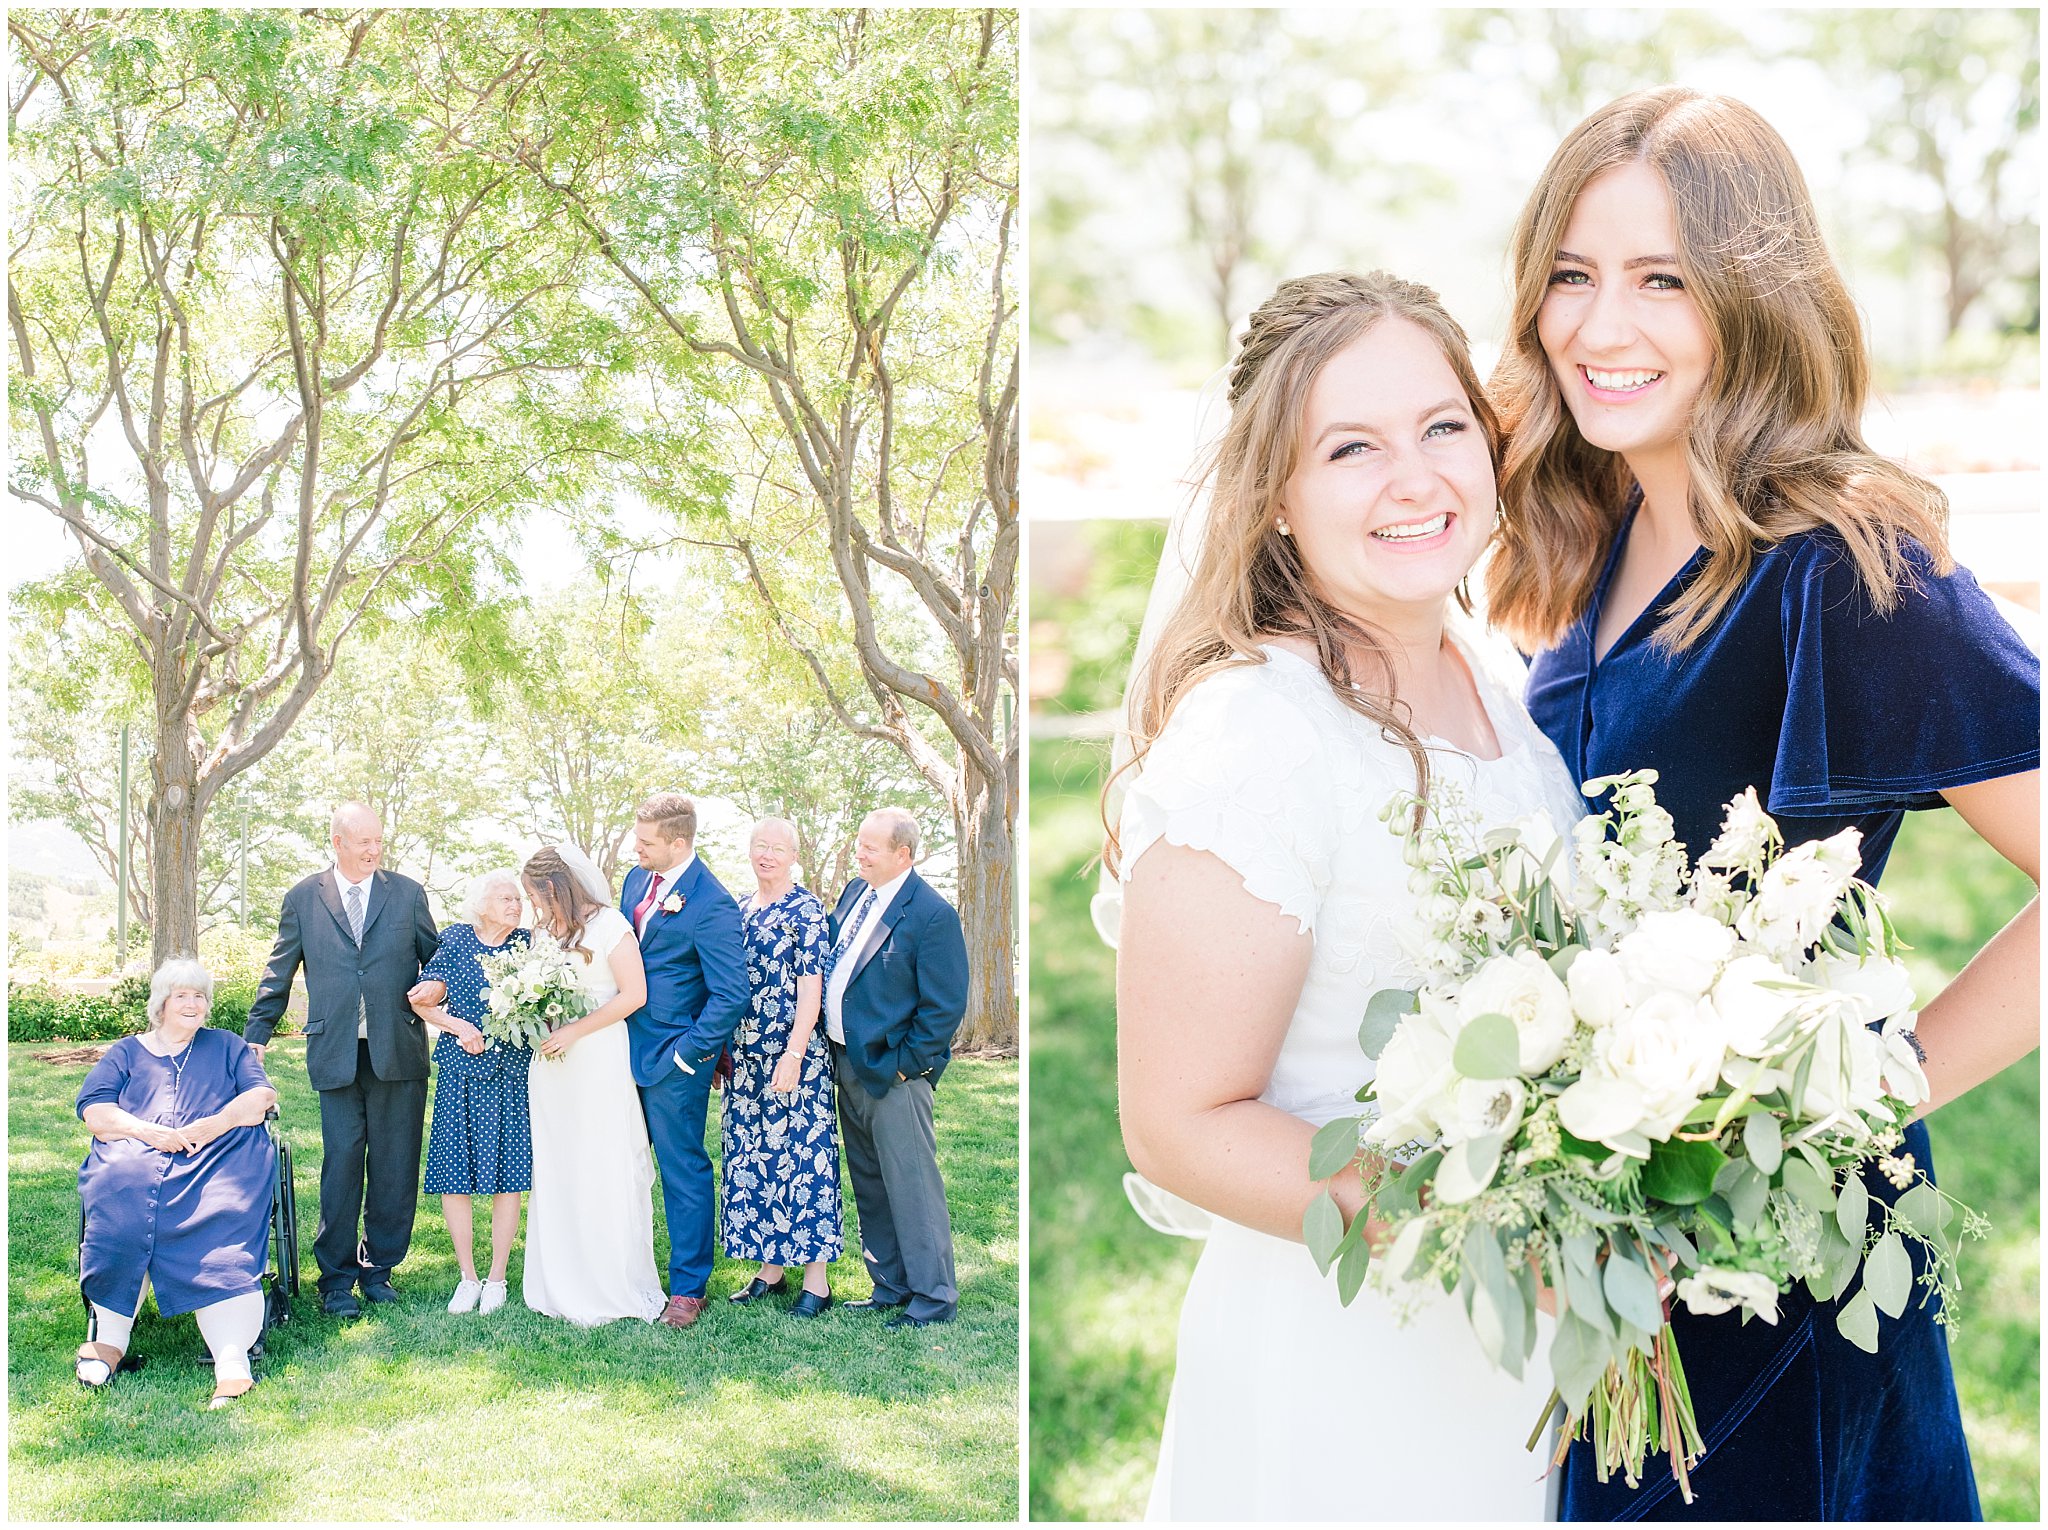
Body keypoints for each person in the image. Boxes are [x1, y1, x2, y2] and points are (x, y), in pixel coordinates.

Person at [1492, 87, 2040, 1521]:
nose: (1601, 326)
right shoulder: (1589, 540)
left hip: (1785, 1271)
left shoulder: (1844, 569)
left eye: (1662, 278)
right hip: (1620, 1268)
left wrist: (1856, 1093)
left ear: (1753, 294)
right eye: (1573, 274)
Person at [1104, 271, 1586, 1520]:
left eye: (1439, 427)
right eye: (1350, 448)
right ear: (1276, 497)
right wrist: (1489, 1231)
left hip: (1529, 1359)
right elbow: (1177, 1122)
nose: (1415, 477)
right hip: (1351, 1368)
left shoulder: (1493, 681)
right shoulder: (1254, 737)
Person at [245, 803, 440, 1318]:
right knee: (342, 1164)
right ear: (337, 842)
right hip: (335, 1052)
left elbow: (436, 958)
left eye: (378, 841)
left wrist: (440, 987)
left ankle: (379, 1268)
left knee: (396, 1164)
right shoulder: (304, 898)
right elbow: (278, 969)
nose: (374, 850)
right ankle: (335, 1279)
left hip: (398, 1050)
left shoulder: (407, 894)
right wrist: (257, 1032)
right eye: (363, 842)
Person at [76, 958, 279, 1408]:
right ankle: (109, 1340)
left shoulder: (227, 1045)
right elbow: (95, 1111)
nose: (193, 1004)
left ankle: (231, 1360)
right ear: (161, 1003)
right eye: (182, 995)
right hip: (137, 1151)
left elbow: (261, 1096)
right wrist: (148, 1132)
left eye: (200, 996)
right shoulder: (127, 1052)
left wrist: (211, 1126)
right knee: (119, 1199)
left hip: (218, 1155)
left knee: (221, 1214)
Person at [825, 807, 971, 1329]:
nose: (859, 853)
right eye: (859, 844)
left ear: (902, 855)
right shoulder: (853, 895)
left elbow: (945, 1007)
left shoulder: (932, 915)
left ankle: (932, 1297)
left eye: (870, 847)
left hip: (893, 1074)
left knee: (911, 1184)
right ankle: (889, 1284)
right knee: (869, 1179)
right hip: (845, 1063)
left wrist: (908, 1068)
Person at [518, 845, 668, 1326]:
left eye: (537, 895)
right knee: (559, 1164)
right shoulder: (543, 931)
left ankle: (608, 1282)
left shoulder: (611, 926)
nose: (535, 906)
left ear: (557, 886)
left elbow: (635, 994)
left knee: (600, 1162)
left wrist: (575, 1030)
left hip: (598, 1056)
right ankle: (560, 1277)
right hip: (552, 1066)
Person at [617, 793, 750, 1330]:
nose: (636, 848)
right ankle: (623, 1270)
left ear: (679, 842)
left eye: (646, 842)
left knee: (682, 1170)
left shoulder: (712, 903)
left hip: (674, 1063)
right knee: (620, 1165)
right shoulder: (633, 882)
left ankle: (689, 1287)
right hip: (620, 1050)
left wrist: (690, 1054)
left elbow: (730, 994)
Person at [721, 817, 842, 1317]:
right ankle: (769, 1270)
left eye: (777, 848)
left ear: (794, 856)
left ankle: (817, 1281)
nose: (766, 854)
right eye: (758, 846)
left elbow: (812, 991)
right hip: (746, 1059)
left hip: (795, 1058)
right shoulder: (742, 909)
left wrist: (794, 1054)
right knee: (753, 1160)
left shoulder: (806, 910)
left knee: (803, 1159)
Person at [409, 868, 532, 1315]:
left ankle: (497, 1277)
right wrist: (457, 1024)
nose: (515, 905)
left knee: (511, 1174)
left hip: (513, 1071)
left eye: (518, 899)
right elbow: (425, 998)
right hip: (462, 1071)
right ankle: (468, 1278)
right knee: (454, 1174)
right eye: (504, 898)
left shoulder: (527, 944)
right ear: (481, 905)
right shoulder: (459, 939)